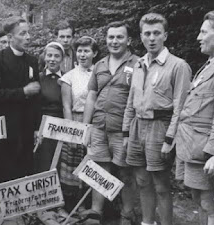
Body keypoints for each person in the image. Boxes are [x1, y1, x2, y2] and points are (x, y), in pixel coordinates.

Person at [123, 13, 192, 225]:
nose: (151, 38)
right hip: (137, 126)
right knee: (142, 181)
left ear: (165, 35)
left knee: (161, 184)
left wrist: (169, 139)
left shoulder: (178, 66)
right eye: (147, 33)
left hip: (160, 127)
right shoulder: (138, 64)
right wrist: (126, 132)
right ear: (141, 37)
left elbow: (181, 107)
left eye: (156, 33)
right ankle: (147, 221)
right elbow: (131, 100)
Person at [175, 10, 214, 225]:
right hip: (192, 146)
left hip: (205, 150)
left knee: (210, 204)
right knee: (199, 200)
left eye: (204, 32)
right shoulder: (212, 62)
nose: (198, 37)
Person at [83, 21, 139, 225]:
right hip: (98, 127)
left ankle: (127, 214)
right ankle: (96, 212)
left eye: (119, 37)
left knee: (125, 172)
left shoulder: (138, 64)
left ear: (128, 40)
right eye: (111, 37)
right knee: (99, 169)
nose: (114, 41)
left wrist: (131, 132)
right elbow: (91, 96)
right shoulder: (99, 64)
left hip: (123, 131)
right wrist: (86, 126)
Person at [0, 16, 40, 205]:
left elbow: (36, 99)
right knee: (3, 169)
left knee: (24, 167)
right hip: (4, 126)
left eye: (28, 33)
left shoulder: (32, 60)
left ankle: (22, 208)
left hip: (25, 127)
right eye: (23, 33)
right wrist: (23, 91)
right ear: (10, 37)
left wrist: (35, 127)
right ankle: (2, 209)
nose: (28, 37)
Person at [58, 36, 100, 212]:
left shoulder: (99, 73)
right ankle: (76, 205)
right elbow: (66, 106)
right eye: (80, 51)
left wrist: (90, 126)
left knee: (94, 163)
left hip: (96, 122)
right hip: (75, 121)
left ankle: (95, 206)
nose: (83, 55)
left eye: (87, 51)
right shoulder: (69, 76)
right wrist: (74, 132)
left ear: (94, 53)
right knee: (74, 164)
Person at [34, 42, 65, 173]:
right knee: (42, 163)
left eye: (56, 56)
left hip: (61, 126)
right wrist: (35, 129)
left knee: (59, 163)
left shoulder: (67, 78)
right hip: (42, 127)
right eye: (49, 55)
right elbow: (33, 106)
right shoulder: (38, 78)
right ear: (44, 57)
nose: (52, 59)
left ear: (62, 59)